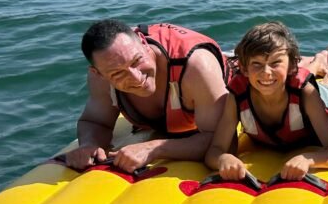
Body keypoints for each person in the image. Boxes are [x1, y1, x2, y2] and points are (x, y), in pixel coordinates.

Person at [66, 20, 229, 171]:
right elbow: (96, 121)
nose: (136, 78)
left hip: (217, 78)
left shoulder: (196, 66)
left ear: (144, 43)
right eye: (117, 74)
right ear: (98, 74)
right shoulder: (101, 76)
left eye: (136, 61)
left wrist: (154, 149)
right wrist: (89, 144)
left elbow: (222, 143)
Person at [206, 21, 328, 183]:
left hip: (322, 100)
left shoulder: (306, 93)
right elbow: (214, 152)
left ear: (292, 64)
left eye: (275, 63)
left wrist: (309, 159)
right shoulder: (237, 96)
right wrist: (223, 159)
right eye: (256, 64)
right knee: (278, 79)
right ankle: (314, 63)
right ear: (244, 69)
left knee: (326, 83)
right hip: (286, 84)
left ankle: (320, 61)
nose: (265, 72)